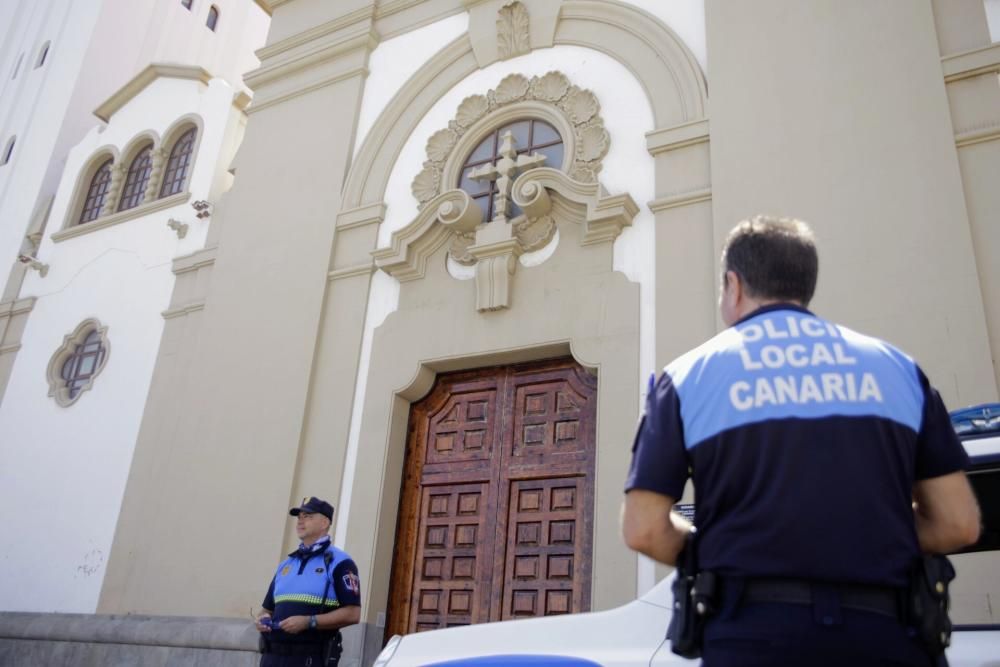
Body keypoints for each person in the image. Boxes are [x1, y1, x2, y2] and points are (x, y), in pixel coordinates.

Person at [622, 215, 981, 666]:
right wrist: (867, 533)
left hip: (751, 636)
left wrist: (728, 542)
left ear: (733, 285)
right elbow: (959, 523)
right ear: (804, 285)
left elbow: (643, 528)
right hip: (889, 635)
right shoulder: (898, 370)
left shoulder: (687, 377)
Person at [256, 496, 361, 667]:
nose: (300, 521)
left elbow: (352, 614)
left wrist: (308, 622)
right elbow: (266, 610)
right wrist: (262, 620)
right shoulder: (285, 565)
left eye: (308, 516)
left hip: (309, 659)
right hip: (271, 658)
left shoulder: (340, 562)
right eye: (299, 517)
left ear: (325, 522)